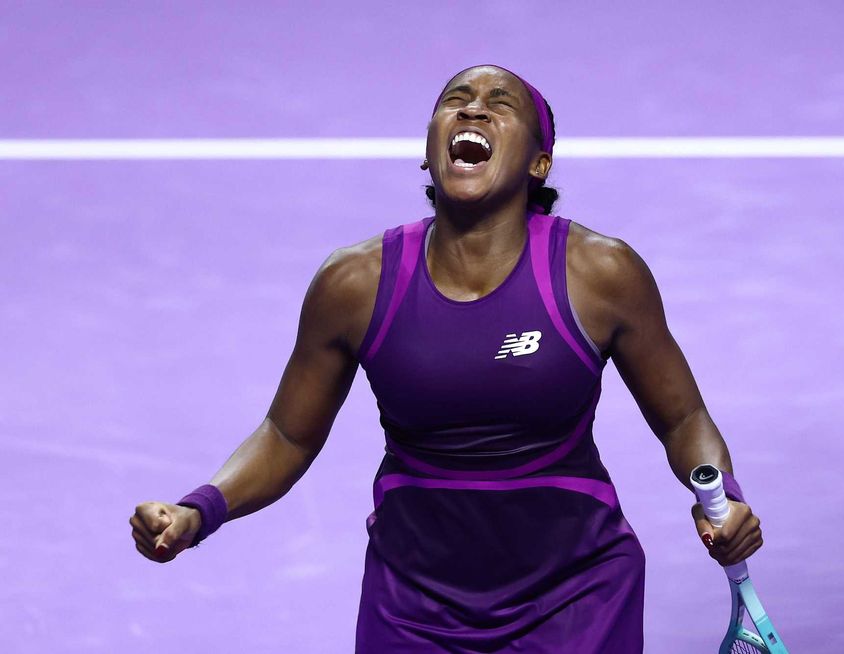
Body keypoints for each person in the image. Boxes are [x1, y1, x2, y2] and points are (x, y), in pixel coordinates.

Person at [129, 64, 764, 653]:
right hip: (412, 603)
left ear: (539, 163)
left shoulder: (600, 274)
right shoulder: (354, 282)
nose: (474, 112)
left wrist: (724, 495)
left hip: (577, 596)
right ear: (430, 153)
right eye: (455, 103)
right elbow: (288, 435)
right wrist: (198, 510)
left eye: (500, 105)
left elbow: (683, 419)